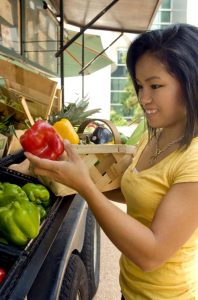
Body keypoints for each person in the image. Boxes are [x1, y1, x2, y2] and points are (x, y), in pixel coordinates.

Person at [25, 23, 198, 299]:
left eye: (155, 85)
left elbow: (152, 255)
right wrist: (72, 177)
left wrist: (86, 187)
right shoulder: (155, 136)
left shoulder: (194, 161)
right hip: (130, 289)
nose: (144, 98)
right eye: (140, 86)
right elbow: (140, 194)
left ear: (192, 82)